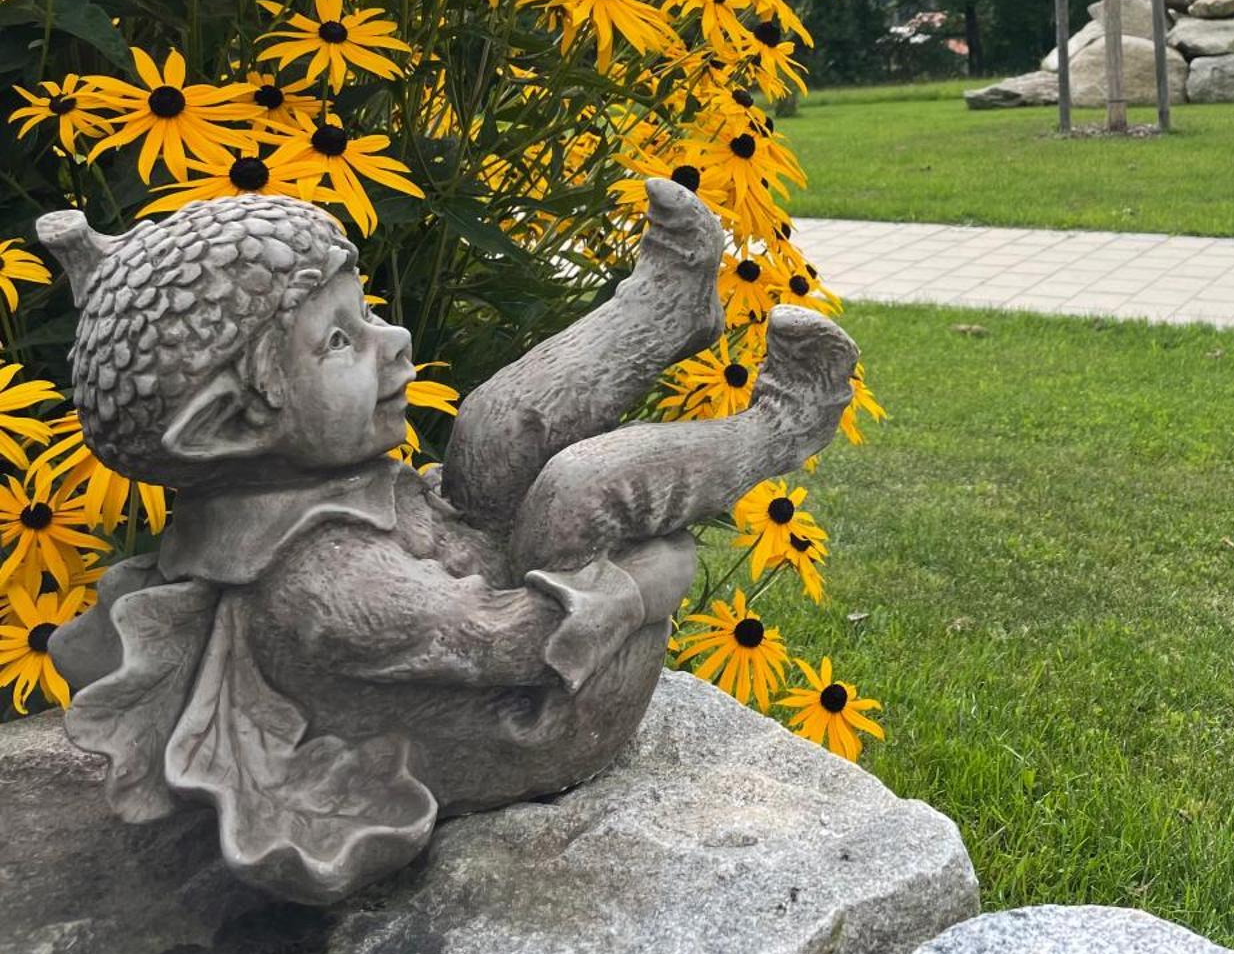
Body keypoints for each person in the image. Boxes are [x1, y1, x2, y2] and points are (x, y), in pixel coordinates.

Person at [42, 179, 857, 904]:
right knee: (580, 491)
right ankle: (786, 421)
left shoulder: (309, 499)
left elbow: (429, 526)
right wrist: (643, 583)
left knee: (494, 426)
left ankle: (666, 309)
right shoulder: (327, 581)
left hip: (489, 582)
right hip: (549, 703)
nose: (390, 340)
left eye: (364, 315)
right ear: (229, 425)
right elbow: (512, 642)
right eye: (340, 341)